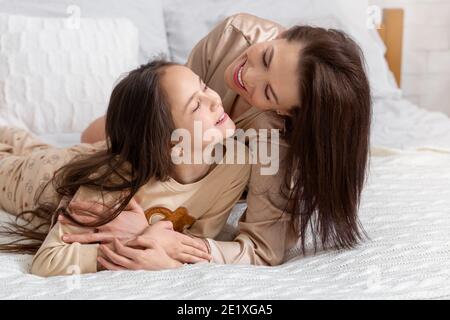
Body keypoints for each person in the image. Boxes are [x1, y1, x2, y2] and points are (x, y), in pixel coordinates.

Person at [75, 13, 372, 266]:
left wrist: (180, 248)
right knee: (91, 136)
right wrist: (130, 213)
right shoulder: (235, 35)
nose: (249, 77)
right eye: (266, 57)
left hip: (230, 179)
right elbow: (172, 119)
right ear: (284, 34)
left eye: (268, 93)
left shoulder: (277, 141)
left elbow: (262, 249)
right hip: (181, 154)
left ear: (285, 111)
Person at [0, 60, 251, 277]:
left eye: (204, 86)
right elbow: (47, 261)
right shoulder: (112, 181)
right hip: (46, 175)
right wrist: (129, 246)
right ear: (173, 143)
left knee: (30, 145)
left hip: (101, 153)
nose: (215, 100)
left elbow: (189, 244)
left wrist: (166, 259)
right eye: (195, 106)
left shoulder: (235, 166)